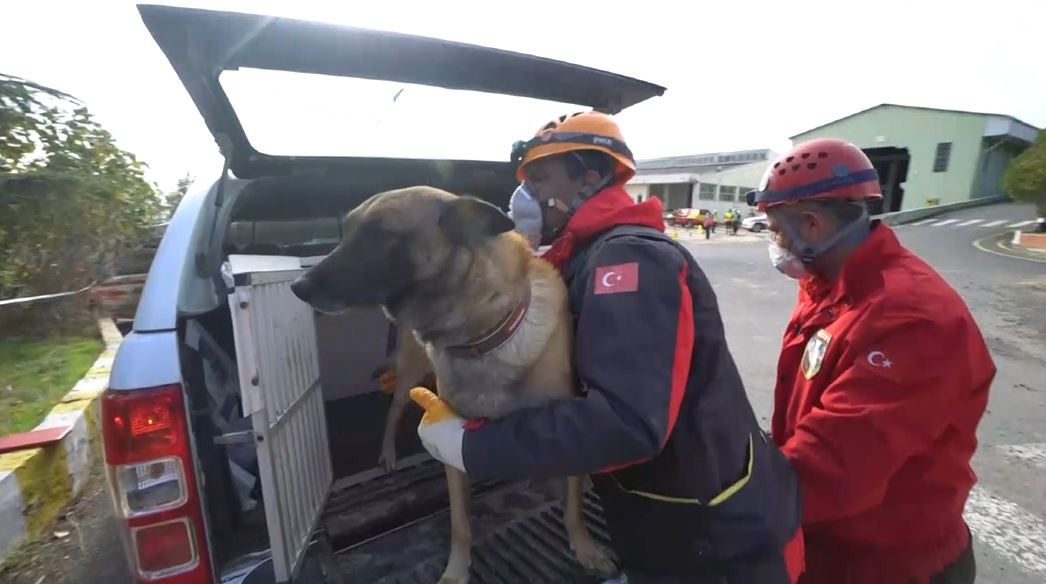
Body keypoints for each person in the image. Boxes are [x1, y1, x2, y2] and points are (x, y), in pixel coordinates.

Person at [410, 111, 804, 583]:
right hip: (667, 524)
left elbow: (627, 423)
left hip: (716, 545)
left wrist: (472, 446)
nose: (525, 198)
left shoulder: (629, 259)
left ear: (591, 179)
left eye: (539, 178)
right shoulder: (585, 257)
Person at [747, 138, 995, 584]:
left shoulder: (908, 317)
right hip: (828, 549)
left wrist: (722, 492)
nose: (774, 242)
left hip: (892, 566)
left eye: (775, 228)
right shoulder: (832, 287)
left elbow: (833, 467)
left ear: (811, 224)